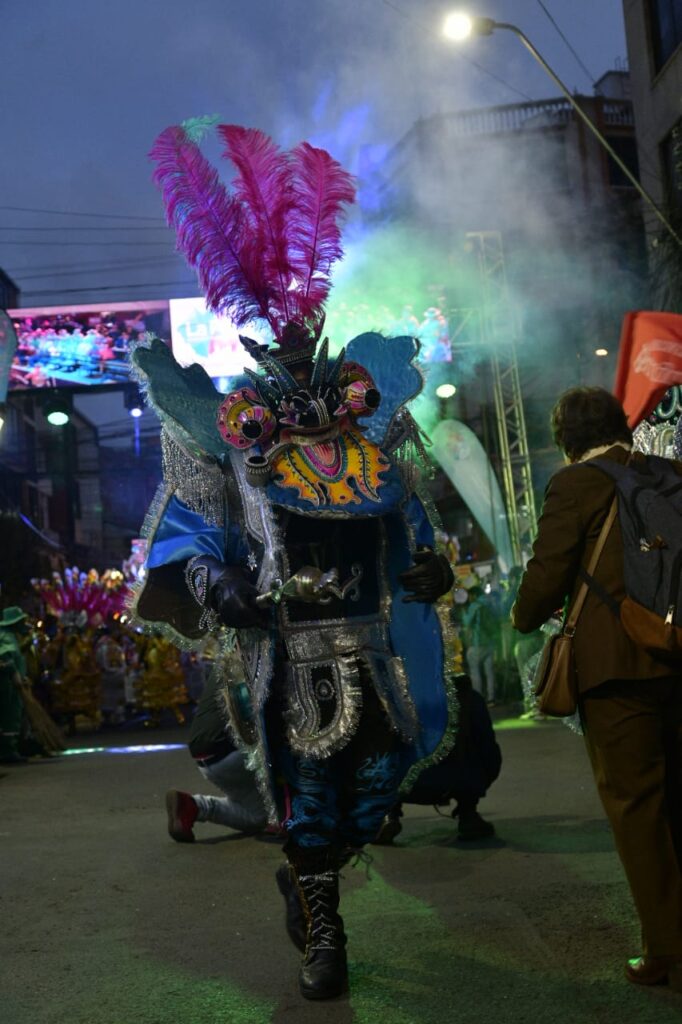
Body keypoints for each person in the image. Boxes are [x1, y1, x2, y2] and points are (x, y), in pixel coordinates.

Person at [131, 122, 456, 1001]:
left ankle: (304, 883)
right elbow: (188, 536)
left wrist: (432, 569)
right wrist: (221, 583)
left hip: (375, 650)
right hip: (291, 652)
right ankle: (326, 936)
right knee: (311, 798)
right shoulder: (236, 444)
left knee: (378, 795)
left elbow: (411, 518)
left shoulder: (373, 431)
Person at [512, 386, 682, 991]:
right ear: (621, 425)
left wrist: (523, 616)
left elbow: (547, 574)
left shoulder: (575, 484)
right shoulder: (669, 474)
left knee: (637, 807)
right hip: (675, 653)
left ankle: (667, 949)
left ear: (566, 439)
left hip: (615, 670)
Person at [373, 675, 501, 843]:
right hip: (456, 779)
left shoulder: (388, 695)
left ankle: (389, 814)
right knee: (477, 748)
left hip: (403, 782)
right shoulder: (467, 695)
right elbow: (489, 751)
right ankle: (468, 813)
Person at [166, 660, 268, 840]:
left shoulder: (225, 658)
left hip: (207, 756)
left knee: (255, 812)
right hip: (235, 752)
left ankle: (194, 806)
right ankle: (291, 815)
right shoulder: (264, 654)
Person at [0, 607, 30, 764]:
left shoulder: (9, 636)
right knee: (10, 716)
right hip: (8, 684)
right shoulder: (7, 637)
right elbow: (6, 655)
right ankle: (8, 751)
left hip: (10, 682)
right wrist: (14, 673)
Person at [460, 586, 498, 704]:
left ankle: (478, 699)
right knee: (489, 672)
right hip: (490, 643)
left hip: (477, 644)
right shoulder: (490, 603)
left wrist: (463, 612)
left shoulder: (475, 605)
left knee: (475, 672)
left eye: (470, 596)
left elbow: (467, 622)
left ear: (474, 595)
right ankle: (491, 698)